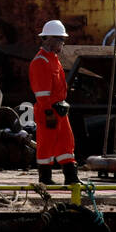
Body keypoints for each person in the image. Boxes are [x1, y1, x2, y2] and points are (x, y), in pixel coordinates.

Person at [29, 19, 79, 185]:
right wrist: (49, 112)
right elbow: (42, 93)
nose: (62, 43)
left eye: (62, 39)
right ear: (48, 39)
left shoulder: (53, 59)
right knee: (46, 145)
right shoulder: (40, 61)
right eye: (59, 39)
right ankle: (45, 178)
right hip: (48, 111)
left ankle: (71, 177)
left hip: (59, 109)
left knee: (66, 142)